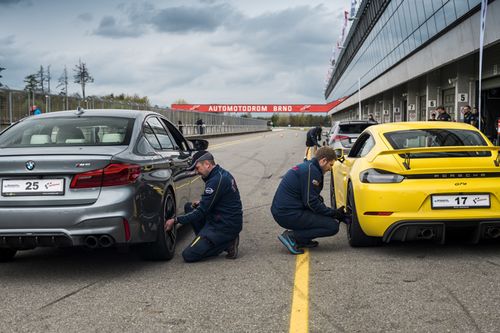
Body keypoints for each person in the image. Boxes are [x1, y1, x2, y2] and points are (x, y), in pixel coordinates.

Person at [164, 150, 242, 262]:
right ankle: (206, 240)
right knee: (189, 207)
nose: (196, 172)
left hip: (224, 226)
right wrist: (202, 202)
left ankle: (228, 243)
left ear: (207, 164)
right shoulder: (219, 174)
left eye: (197, 168)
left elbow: (201, 212)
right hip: (221, 218)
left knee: (188, 255)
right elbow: (219, 198)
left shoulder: (216, 180)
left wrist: (175, 220)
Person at [271, 147, 347, 255]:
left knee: (324, 214)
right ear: (323, 161)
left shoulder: (310, 167)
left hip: (285, 211)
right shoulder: (312, 171)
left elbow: (314, 198)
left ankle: (302, 240)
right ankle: (292, 236)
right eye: (330, 165)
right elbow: (311, 202)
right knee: (332, 226)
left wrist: (329, 212)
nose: (330, 169)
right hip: (287, 214)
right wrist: (333, 213)